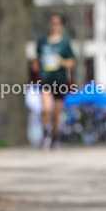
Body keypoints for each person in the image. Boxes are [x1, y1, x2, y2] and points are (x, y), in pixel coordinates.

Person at [33, 14, 75, 150]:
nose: (54, 26)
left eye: (57, 23)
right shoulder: (42, 42)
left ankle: (55, 137)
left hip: (60, 80)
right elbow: (37, 59)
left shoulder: (65, 44)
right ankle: (45, 135)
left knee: (56, 113)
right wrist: (35, 65)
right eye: (52, 23)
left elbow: (71, 62)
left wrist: (61, 61)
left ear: (61, 26)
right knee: (45, 109)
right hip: (45, 79)